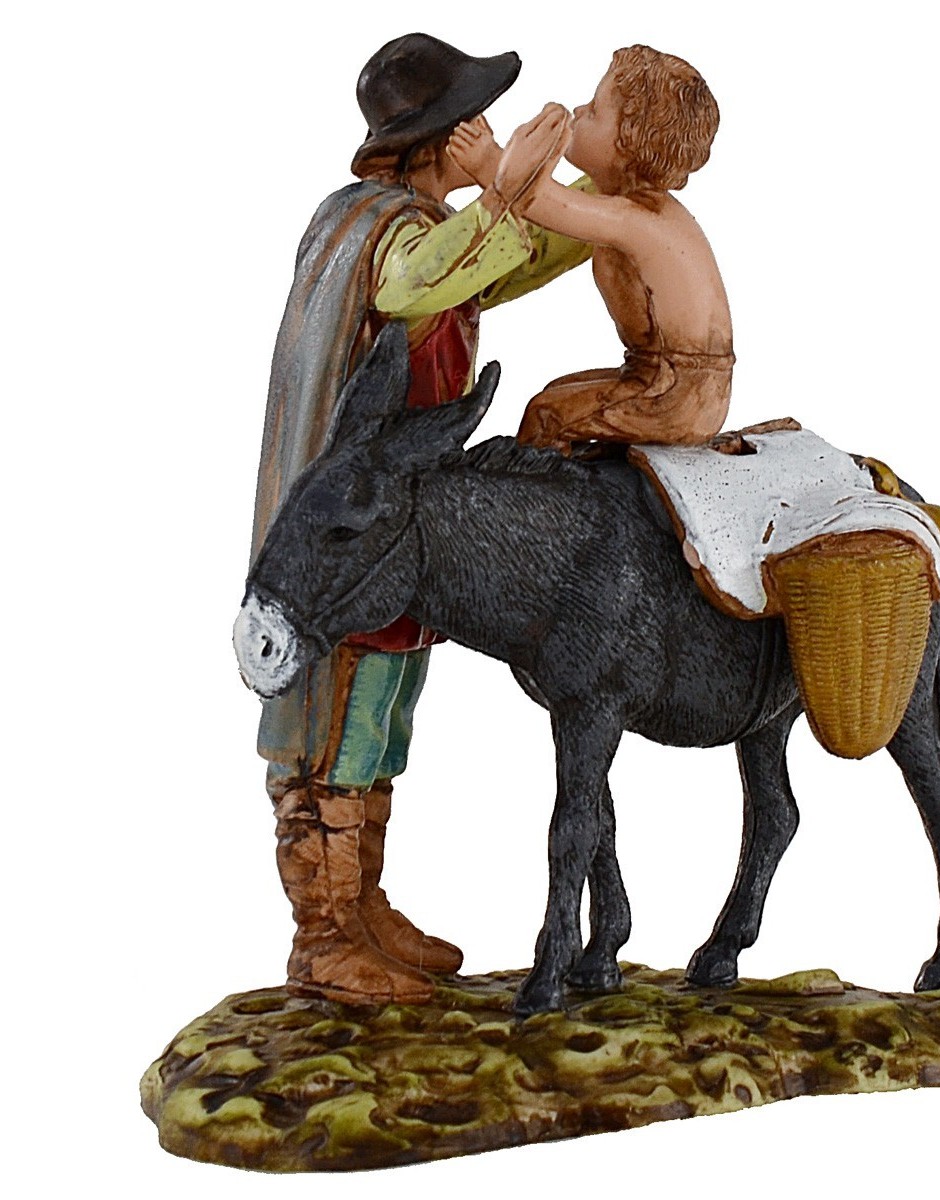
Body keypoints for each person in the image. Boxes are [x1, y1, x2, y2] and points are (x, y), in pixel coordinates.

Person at [252, 33, 588, 1005]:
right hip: (351, 528)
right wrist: (505, 186)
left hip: (404, 519)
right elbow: (423, 278)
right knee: (336, 718)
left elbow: (502, 263)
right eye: (469, 122)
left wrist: (598, 206)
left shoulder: (422, 227)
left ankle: (362, 904)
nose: (481, 132)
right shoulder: (380, 232)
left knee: (384, 712)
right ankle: (323, 936)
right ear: (438, 138)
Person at [450, 45, 732, 453]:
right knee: (556, 391)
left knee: (545, 415)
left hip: (680, 393)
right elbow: (555, 203)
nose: (579, 112)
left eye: (596, 111)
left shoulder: (638, 219)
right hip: (657, 374)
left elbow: (548, 205)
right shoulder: (629, 206)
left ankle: (541, 493)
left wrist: (489, 163)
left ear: (631, 145)